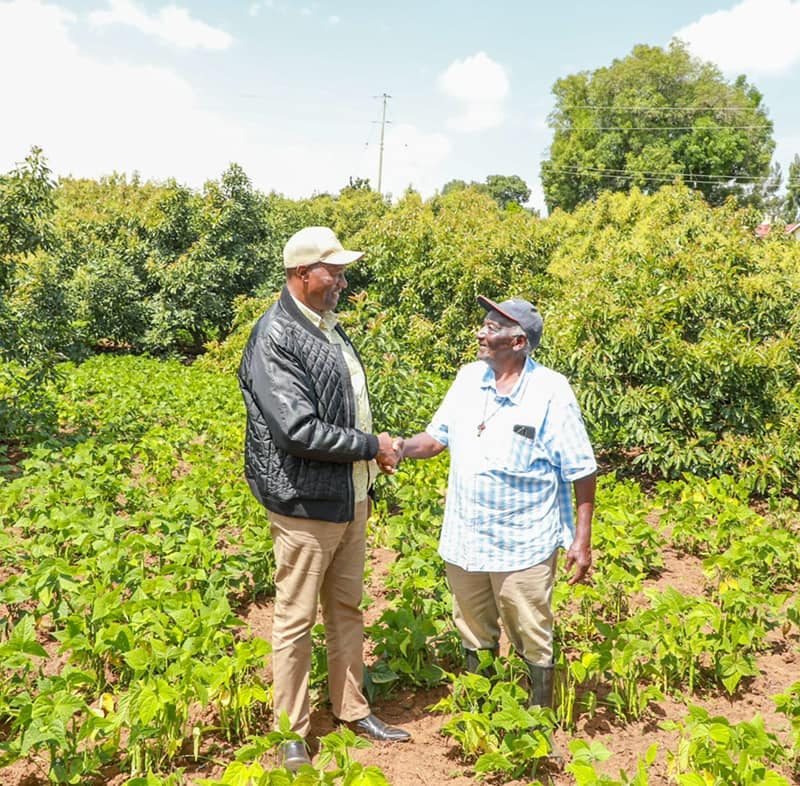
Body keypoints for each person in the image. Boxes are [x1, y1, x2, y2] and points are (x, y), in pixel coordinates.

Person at [237, 226, 411, 772]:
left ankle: (351, 708)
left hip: (350, 494)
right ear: (300, 274)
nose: (341, 279)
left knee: (346, 607)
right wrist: (371, 445)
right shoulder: (276, 336)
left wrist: (369, 454)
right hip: (303, 502)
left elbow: (345, 407)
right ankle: (291, 730)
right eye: (332, 271)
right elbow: (297, 430)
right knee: (294, 616)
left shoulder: (329, 328)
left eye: (341, 270)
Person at [396, 295, 596, 717]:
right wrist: (394, 447)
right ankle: (485, 715)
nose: (480, 333)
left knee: (530, 632)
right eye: (483, 325)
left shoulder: (550, 391)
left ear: (518, 341)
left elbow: (581, 469)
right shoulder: (469, 378)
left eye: (490, 328)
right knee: (473, 628)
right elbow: (434, 440)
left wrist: (582, 539)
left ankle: (535, 723)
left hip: (523, 542)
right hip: (467, 538)